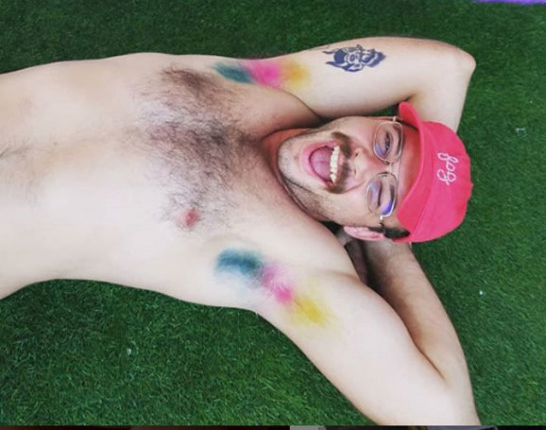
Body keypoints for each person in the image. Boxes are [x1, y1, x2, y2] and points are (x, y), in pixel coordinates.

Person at [0, 36, 478, 423]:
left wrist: (390, 248)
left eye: (382, 194)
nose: (360, 161)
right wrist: (386, 215)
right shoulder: (276, 84)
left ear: (368, 229)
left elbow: (447, 413)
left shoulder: (290, 267)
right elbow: (450, 67)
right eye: (388, 143)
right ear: (379, 120)